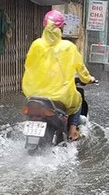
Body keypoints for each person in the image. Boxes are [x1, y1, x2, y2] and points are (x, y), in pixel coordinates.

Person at [22, 10, 95, 142]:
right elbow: (81, 69)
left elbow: (29, 66)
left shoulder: (36, 44)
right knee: (78, 101)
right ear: (61, 28)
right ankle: (72, 131)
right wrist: (89, 79)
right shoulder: (68, 47)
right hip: (59, 97)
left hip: (34, 93)